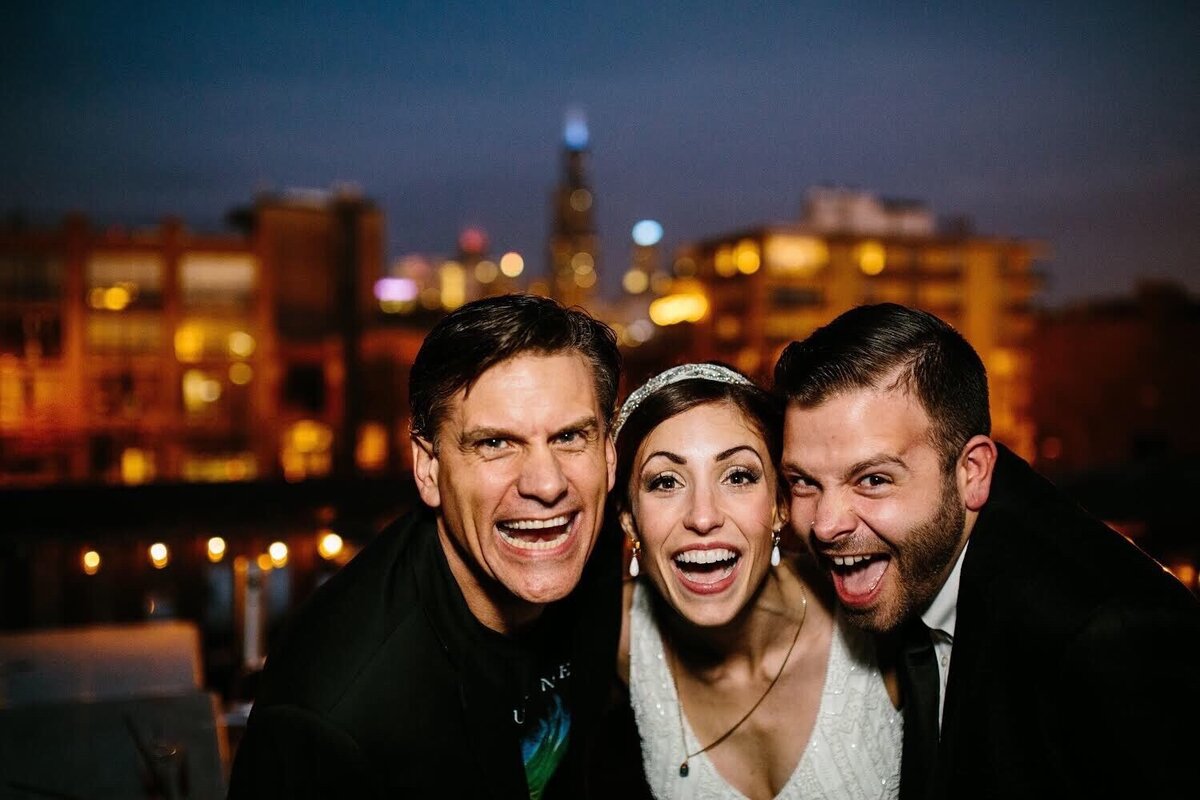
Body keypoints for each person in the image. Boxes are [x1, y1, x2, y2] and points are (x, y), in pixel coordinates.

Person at [774, 303, 1200, 799]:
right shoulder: (918, 556)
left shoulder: (1107, 636)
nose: (825, 525)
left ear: (972, 471)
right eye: (803, 482)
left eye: (873, 479)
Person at [228, 294, 624, 798]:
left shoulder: (599, 547)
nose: (547, 485)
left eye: (570, 436)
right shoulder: (332, 713)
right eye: (495, 443)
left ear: (609, 454)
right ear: (428, 468)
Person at [612, 363, 901, 800]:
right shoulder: (618, 635)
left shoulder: (872, 608)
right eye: (666, 482)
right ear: (630, 520)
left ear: (781, 505)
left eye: (738, 476)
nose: (703, 516)